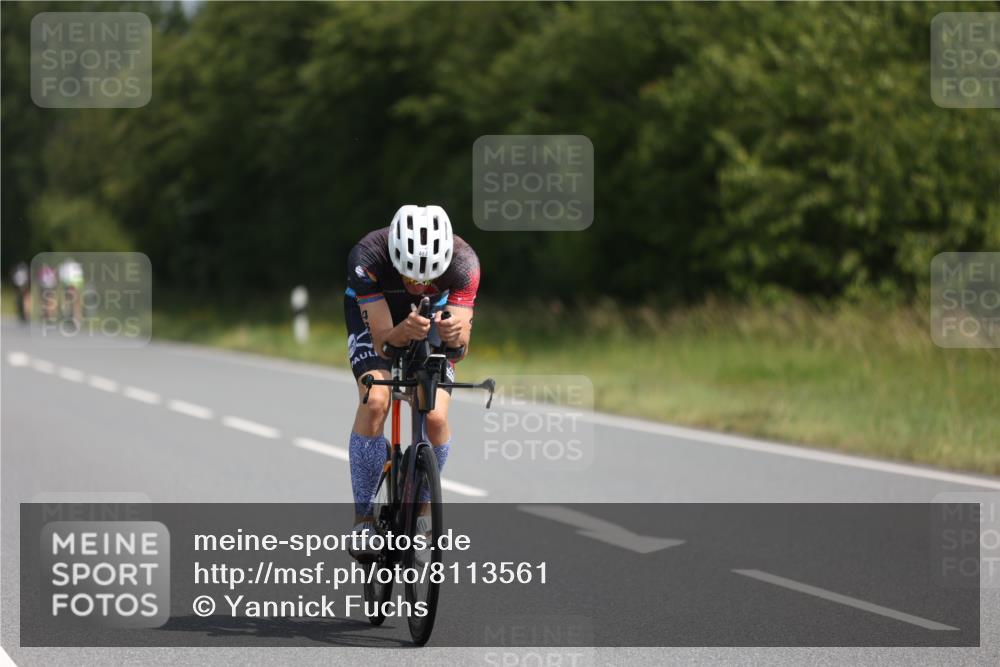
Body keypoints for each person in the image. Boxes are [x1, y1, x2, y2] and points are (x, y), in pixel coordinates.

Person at [344, 205, 480, 559]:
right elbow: (383, 345)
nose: (417, 285)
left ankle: (421, 514)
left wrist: (454, 336)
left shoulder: (464, 264)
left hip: (433, 314)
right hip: (377, 315)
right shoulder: (368, 257)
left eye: (427, 278)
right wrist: (402, 331)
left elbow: (460, 349)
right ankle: (364, 520)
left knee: (435, 416)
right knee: (376, 399)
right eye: (409, 275)